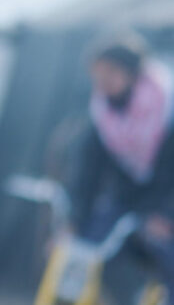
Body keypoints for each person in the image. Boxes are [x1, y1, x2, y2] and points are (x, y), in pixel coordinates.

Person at [69, 34, 174, 300]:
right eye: (98, 74)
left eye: (111, 72)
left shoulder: (167, 107)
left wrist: (166, 214)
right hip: (126, 200)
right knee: (83, 247)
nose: (103, 81)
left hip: (165, 203)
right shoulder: (102, 114)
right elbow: (88, 171)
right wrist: (73, 221)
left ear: (133, 74)